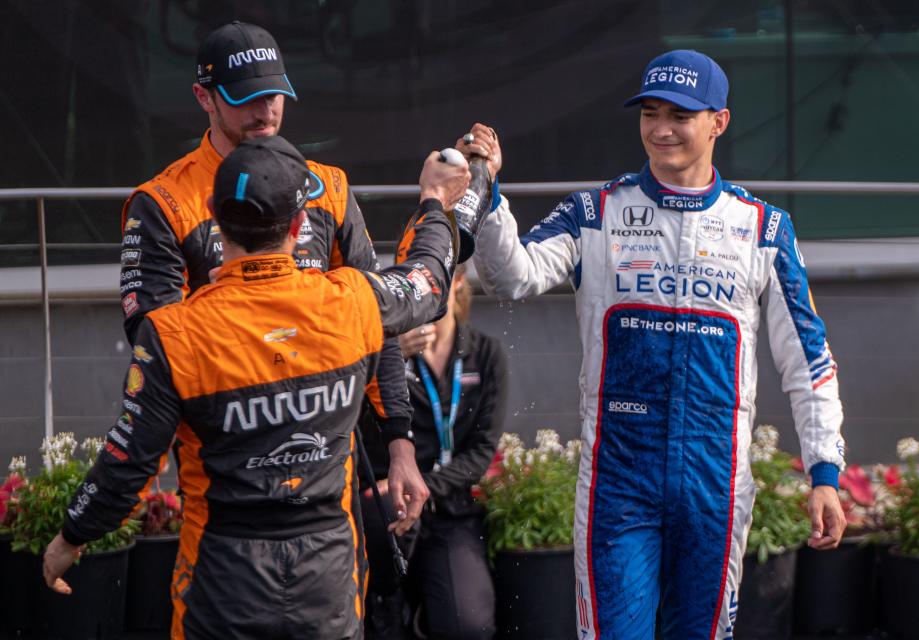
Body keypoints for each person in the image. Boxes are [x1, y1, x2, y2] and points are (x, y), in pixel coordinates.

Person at [461, 49, 847, 639]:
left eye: (680, 115)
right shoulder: (595, 211)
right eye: (650, 113)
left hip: (716, 480)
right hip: (618, 476)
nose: (660, 129)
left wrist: (825, 472)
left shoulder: (764, 228)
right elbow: (512, 276)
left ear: (719, 121)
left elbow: (809, 360)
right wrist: (487, 195)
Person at [43, 135, 470, 640]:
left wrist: (73, 534)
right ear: (299, 225)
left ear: (213, 215)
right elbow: (428, 277)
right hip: (327, 576)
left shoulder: (173, 332)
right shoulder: (353, 301)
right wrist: (435, 202)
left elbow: (129, 461)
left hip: (222, 580)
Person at [120, 20, 412, 447]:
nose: (265, 111)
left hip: (329, 442)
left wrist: (399, 437)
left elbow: (375, 314)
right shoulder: (163, 201)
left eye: (273, 95)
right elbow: (153, 341)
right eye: (246, 98)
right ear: (204, 97)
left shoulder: (327, 186)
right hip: (226, 449)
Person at [361, 262, 506, 640]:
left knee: (468, 625)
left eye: (435, 278)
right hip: (388, 504)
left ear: (457, 282)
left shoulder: (485, 353)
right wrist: (385, 357)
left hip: (450, 510)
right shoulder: (391, 352)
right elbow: (353, 423)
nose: (423, 289)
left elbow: (482, 451)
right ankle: (388, 608)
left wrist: (423, 485)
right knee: (380, 614)